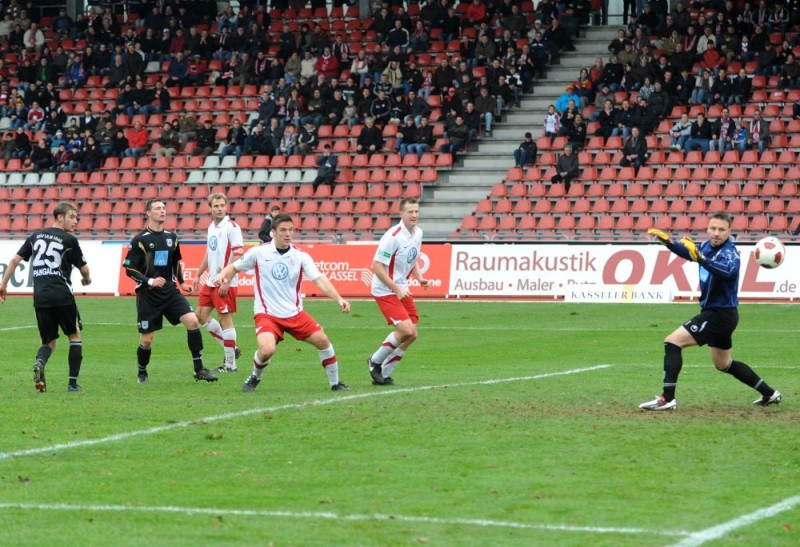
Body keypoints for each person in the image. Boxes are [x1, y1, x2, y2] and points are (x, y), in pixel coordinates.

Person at [640, 215, 782, 411]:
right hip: (722, 314)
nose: (716, 233)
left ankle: (667, 398)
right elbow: (688, 252)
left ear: (729, 231)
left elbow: (727, 272)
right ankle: (770, 393)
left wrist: (702, 259)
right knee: (724, 364)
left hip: (719, 314)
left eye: (721, 229)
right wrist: (668, 242)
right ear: (707, 229)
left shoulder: (730, 253)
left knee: (672, 342)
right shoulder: (706, 246)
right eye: (713, 228)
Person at [212, 214, 351, 393]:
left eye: (291, 230)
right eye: (283, 230)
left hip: (294, 313)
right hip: (267, 314)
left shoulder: (300, 255)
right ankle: (255, 376)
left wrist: (339, 299)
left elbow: (319, 280)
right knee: (267, 350)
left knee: (323, 341)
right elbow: (234, 267)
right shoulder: (259, 252)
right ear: (273, 232)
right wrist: (223, 275)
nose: (288, 234)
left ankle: (335, 383)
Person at [123, 199, 218, 384]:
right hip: (147, 295)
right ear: (148, 213)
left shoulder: (172, 237)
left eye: (164, 208)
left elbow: (175, 263)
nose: (162, 211)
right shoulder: (139, 240)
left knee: (192, 321)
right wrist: (149, 280)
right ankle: (142, 372)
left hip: (170, 291)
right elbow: (129, 269)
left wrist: (182, 282)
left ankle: (199, 369)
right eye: (158, 208)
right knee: (147, 341)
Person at [0, 202, 91, 392]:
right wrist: (86, 279)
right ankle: (73, 384)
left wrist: (3, 284)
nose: (76, 221)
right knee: (74, 336)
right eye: (72, 217)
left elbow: (15, 260)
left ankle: (40, 362)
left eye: (77, 218)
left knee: (48, 341)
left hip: (40, 297)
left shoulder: (35, 236)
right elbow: (84, 268)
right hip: (62, 295)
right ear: (60, 217)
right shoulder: (69, 240)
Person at [367, 197, 429, 386]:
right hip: (385, 290)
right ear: (401, 214)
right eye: (410, 212)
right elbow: (375, 266)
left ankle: (384, 373)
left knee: (413, 334)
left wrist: (419, 278)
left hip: (402, 288)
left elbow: (413, 258)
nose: (414, 215)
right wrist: (396, 288)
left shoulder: (418, 233)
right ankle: (375, 361)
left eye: (416, 211)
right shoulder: (393, 237)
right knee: (405, 330)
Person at [192, 193, 244, 374]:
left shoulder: (231, 227)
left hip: (225, 281)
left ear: (226, 207)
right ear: (210, 208)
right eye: (216, 206)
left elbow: (239, 256)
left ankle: (230, 365)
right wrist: (198, 275)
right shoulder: (211, 227)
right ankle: (232, 348)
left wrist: (228, 279)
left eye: (222, 205)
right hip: (212, 280)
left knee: (225, 320)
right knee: (200, 315)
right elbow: (209, 253)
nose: (220, 208)